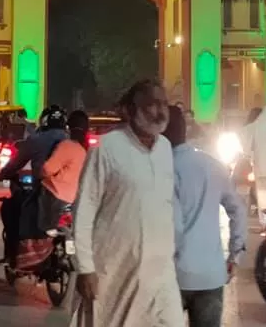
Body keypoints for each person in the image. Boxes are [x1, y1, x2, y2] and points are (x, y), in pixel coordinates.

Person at [71, 79, 184, 327]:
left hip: (160, 273)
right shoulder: (106, 148)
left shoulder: (165, 149)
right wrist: (85, 268)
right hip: (116, 270)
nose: (160, 111)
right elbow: (84, 210)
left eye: (163, 103)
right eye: (151, 104)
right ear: (131, 110)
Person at [165, 106, 246, 327]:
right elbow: (238, 210)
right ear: (186, 131)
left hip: (171, 277)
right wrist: (235, 254)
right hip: (210, 274)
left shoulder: (161, 168)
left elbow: (173, 226)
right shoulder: (211, 165)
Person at [0, 105, 69, 268]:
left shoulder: (36, 139)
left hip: (45, 191)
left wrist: (3, 174)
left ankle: (16, 256)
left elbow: (17, 163)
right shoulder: (71, 140)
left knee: (11, 209)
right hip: (73, 194)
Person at [39, 110, 89, 232]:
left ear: (69, 127)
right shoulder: (87, 149)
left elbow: (47, 169)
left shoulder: (67, 145)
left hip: (57, 196)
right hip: (77, 198)